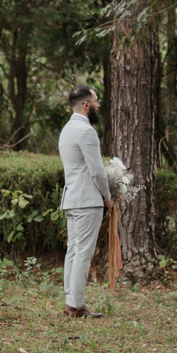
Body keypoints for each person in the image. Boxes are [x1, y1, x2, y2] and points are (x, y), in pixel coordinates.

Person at [58, 85, 113, 318]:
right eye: (96, 101)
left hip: (71, 199)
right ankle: (75, 305)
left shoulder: (67, 129)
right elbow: (97, 171)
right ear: (87, 105)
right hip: (87, 200)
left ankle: (71, 300)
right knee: (83, 253)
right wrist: (108, 198)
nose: (99, 105)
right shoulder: (86, 131)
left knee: (73, 251)